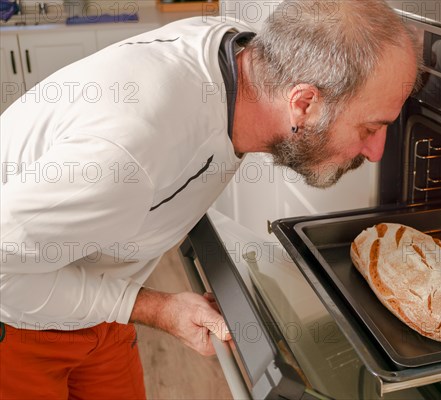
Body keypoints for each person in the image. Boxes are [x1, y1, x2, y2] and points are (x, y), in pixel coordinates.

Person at [0, 0, 419, 397]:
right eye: (369, 128)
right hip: (17, 320)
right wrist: (155, 308)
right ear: (304, 103)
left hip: (99, 298)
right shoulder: (130, 153)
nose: (377, 151)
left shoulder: (248, 59)